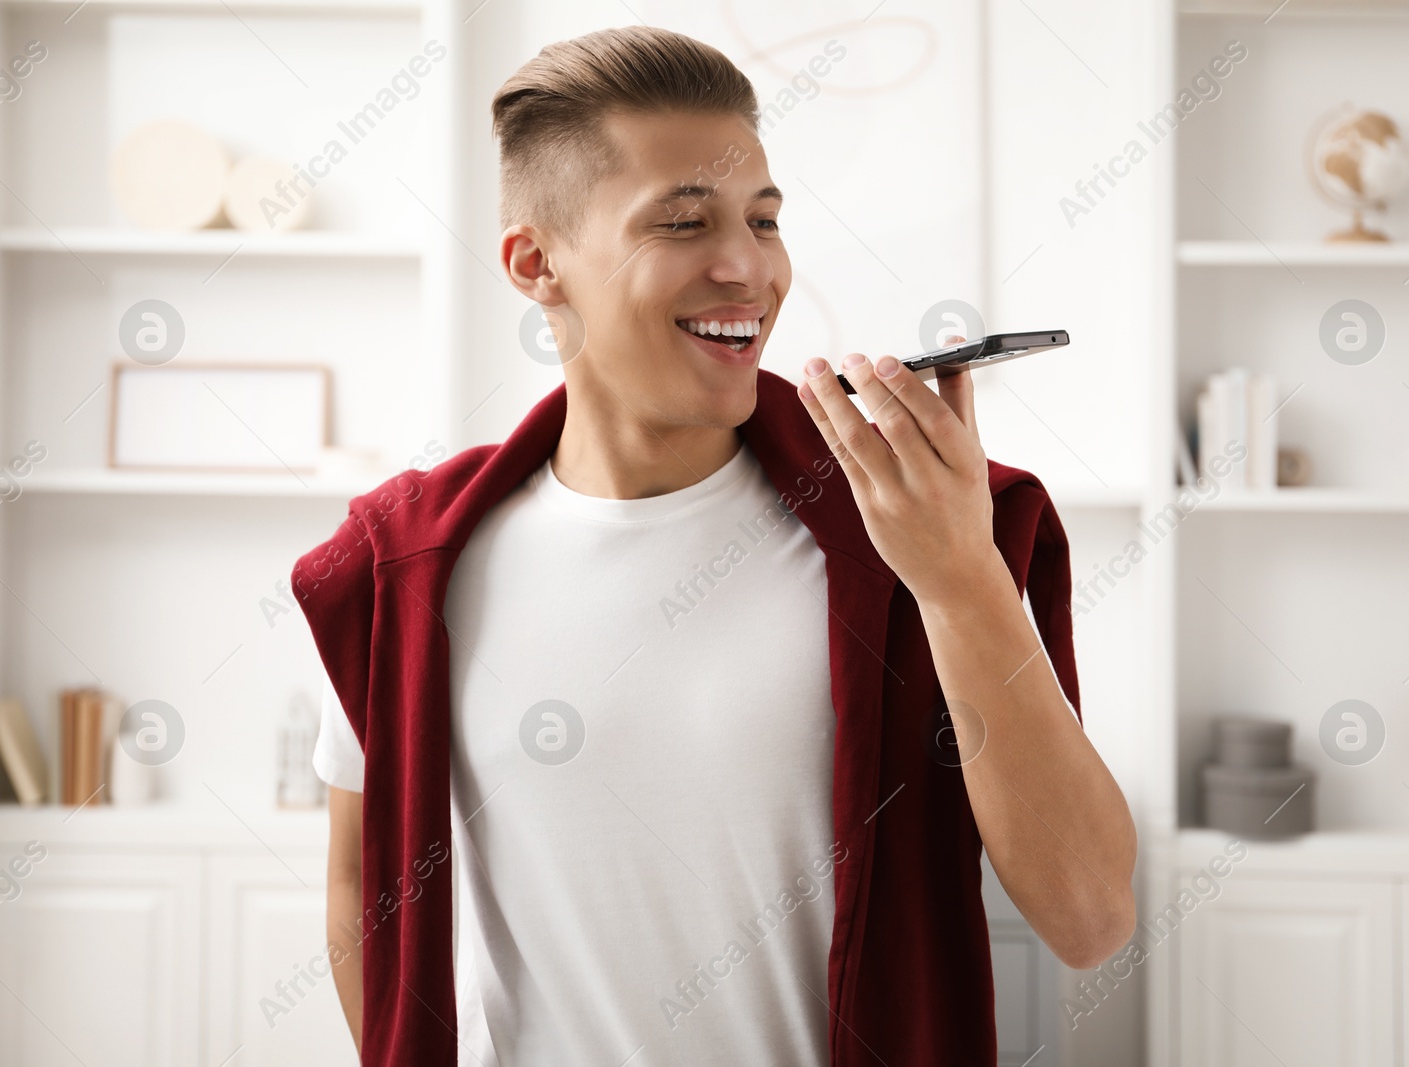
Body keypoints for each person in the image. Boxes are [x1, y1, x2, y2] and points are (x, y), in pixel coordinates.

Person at [296, 25, 1136, 1067]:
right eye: (683, 222)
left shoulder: (926, 533)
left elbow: (1091, 916)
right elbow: (356, 877)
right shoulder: (405, 561)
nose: (747, 268)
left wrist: (958, 579)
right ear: (534, 263)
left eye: (764, 219)